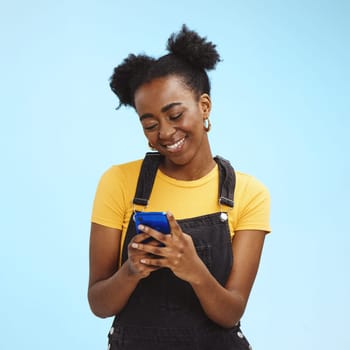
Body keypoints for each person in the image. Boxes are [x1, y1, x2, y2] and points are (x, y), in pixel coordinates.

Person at [88, 25, 271, 350]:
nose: (166, 133)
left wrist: (192, 268)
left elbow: (231, 313)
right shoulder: (118, 182)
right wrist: (131, 270)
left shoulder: (248, 193)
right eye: (150, 124)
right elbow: (99, 303)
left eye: (175, 115)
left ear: (204, 107)